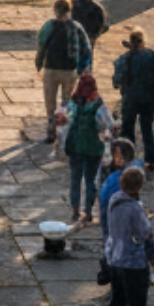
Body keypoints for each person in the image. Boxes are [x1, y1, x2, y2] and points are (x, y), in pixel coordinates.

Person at [103, 167, 154, 306]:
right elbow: (144, 234)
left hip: (114, 258)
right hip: (133, 263)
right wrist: (152, 257)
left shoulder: (114, 199)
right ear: (139, 186)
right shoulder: (134, 208)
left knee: (116, 302)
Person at [113, 30, 154, 175]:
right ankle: (150, 162)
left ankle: (128, 160)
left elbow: (116, 82)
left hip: (130, 98)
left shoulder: (124, 59)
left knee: (128, 130)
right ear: (143, 41)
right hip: (149, 97)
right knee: (147, 129)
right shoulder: (151, 56)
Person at [36, 0, 89, 143]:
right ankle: (65, 132)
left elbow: (41, 45)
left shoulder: (49, 26)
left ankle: (51, 131)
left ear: (55, 10)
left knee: (50, 103)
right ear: (69, 10)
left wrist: (39, 63)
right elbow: (86, 48)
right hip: (69, 70)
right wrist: (83, 68)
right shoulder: (76, 27)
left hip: (51, 68)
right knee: (66, 102)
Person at [61, 75, 113, 226]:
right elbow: (108, 124)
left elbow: (66, 119)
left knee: (75, 179)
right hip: (93, 149)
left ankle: (75, 210)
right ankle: (88, 212)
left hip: (74, 147)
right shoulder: (98, 106)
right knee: (91, 181)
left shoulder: (73, 103)